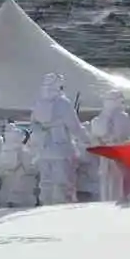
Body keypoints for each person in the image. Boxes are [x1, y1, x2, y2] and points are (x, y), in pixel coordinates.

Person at [28, 73, 89, 205]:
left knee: (45, 183)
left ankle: (46, 207)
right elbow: (74, 127)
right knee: (63, 184)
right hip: (61, 149)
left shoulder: (39, 103)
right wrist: (87, 140)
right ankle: (60, 210)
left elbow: (33, 124)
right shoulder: (63, 103)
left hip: (44, 150)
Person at [89, 89, 130, 202]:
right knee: (116, 176)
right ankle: (117, 198)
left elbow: (95, 136)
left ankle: (108, 198)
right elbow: (125, 134)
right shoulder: (121, 116)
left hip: (107, 150)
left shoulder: (101, 117)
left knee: (108, 176)